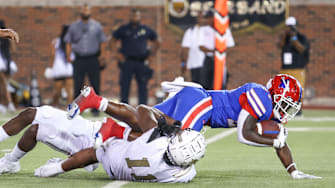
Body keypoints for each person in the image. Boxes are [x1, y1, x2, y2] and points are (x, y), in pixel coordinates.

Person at [68, 74, 321, 179]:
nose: (288, 110)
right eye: (287, 103)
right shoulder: (261, 98)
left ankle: (103, 113)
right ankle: (112, 129)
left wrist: (293, 170)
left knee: (145, 119)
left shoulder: (269, 106)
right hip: (202, 104)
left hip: (197, 101)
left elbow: (281, 140)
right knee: (164, 140)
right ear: (276, 96)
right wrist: (272, 140)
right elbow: (244, 135)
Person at [0, 104, 206, 182]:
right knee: (34, 128)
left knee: (33, 115)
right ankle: (10, 161)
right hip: (101, 140)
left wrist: (100, 102)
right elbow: (187, 170)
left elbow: (139, 112)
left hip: (95, 140)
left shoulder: (152, 141)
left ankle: (10, 162)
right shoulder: (178, 170)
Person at [64, 4, 107, 115]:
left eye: (87, 10)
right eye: (84, 10)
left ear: (90, 12)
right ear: (81, 12)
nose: (85, 12)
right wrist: (68, 55)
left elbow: (102, 41)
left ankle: (96, 109)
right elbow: (68, 41)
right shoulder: (73, 26)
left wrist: (102, 56)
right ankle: (77, 109)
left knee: (95, 84)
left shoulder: (96, 26)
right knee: (78, 84)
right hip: (79, 59)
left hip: (93, 58)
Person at [111, 8, 160, 105]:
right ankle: (124, 107)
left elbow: (156, 41)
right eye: (133, 16)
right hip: (127, 61)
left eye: (137, 16)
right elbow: (112, 40)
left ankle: (143, 107)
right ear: (130, 17)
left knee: (143, 86)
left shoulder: (145, 29)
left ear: (140, 17)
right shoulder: (123, 29)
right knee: (125, 86)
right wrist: (117, 54)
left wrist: (151, 55)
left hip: (141, 61)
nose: (135, 18)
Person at [278, 16, 310, 116]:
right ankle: (284, 108)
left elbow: (301, 49)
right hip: (286, 68)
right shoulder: (284, 38)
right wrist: (284, 36)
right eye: (288, 27)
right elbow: (279, 46)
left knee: (298, 89)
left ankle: (297, 109)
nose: (290, 29)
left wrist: (294, 37)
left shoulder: (301, 37)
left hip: (298, 68)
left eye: (291, 27)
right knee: (284, 89)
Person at [198, 11, 235, 90]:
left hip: (220, 59)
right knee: (205, 83)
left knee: (220, 84)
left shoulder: (224, 29)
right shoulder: (203, 29)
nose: (208, 20)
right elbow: (201, 46)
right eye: (207, 18)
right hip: (208, 59)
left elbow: (230, 46)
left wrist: (221, 52)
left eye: (210, 18)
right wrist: (213, 51)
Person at [49, 25, 73, 107]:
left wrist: (52, 67)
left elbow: (52, 55)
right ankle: (69, 108)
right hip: (69, 68)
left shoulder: (55, 41)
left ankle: (54, 106)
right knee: (70, 89)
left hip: (58, 68)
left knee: (57, 91)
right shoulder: (71, 42)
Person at [180, 13, 205, 83]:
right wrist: (183, 64)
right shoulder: (190, 32)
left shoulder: (212, 31)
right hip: (195, 65)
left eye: (204, 17)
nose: (202, 20)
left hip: (211, 66)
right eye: (200, 18)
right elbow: (185, 49)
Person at [0, 20, 18, 114]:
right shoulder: (7, 36)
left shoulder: (3, 35)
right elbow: (14, 49)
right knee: (3, 84)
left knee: (3, 84)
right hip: (7, 61)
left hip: (1, 61)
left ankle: (10, 104)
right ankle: (4, 104)